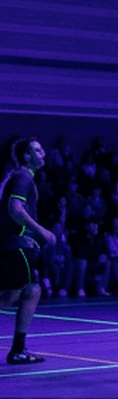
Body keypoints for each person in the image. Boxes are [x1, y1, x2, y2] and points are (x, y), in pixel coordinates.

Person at [1, 138, 55, 365]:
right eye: (38, 149)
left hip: (15, 243)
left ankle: (18, 349)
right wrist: (41, 232)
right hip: (13, 245)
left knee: (28, 290)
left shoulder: (19, 177)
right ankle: (18, 349)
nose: (43, 153)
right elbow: (15, 208)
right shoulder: (22, 177)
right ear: (26, 155)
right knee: (15, 294)